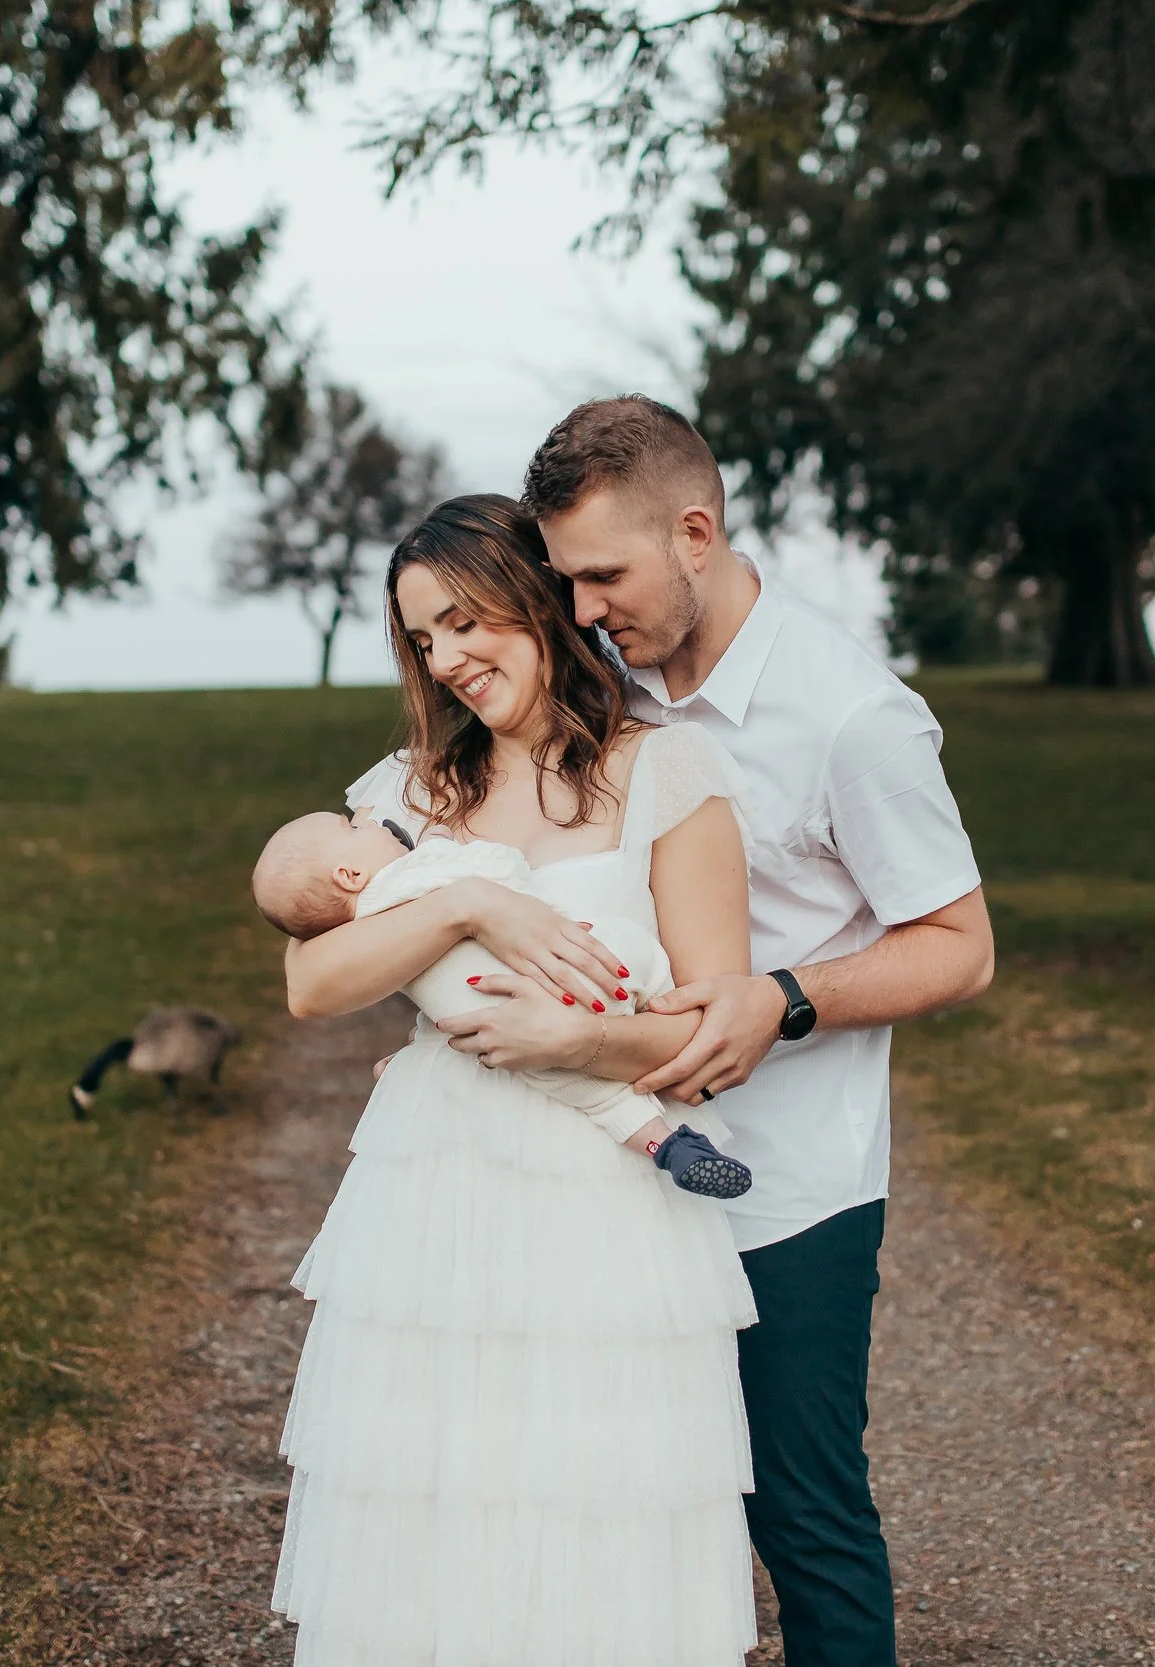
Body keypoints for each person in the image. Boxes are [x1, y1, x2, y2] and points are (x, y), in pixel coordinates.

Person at [440, 396, 994, 1667]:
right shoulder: (597, 676)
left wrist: (784, 997)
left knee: (798, 1514)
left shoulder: (855, 716)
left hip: (787, 1190)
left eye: (600, 575)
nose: (577, 609)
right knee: (608, 1501)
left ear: (696, 531)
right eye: (562, 578)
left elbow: (961, 946)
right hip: (605, 1171)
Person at [267, 493, 762, 1666]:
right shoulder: (406, 791)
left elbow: (714, 1032)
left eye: (462, 621)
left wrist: (583, 1046)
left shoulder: (668, 773)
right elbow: (311, 983)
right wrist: (467, 898)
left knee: (594, 1506)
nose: (446, 659)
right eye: (422, 639)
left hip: (603, 1202)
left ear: (534, 598)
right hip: (436, 1189)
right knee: (438, 1507)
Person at [248, 806, 754, 1195]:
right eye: (351, 827)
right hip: (586, 984)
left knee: (599, 1099)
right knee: (631, 953)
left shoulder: (367, 922)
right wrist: (469, 888)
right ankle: (655, 1007)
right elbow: (503, 868)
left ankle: (664, 1144)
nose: (368, 819)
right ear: (349, 875)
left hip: (500, 1046)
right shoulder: (411, 873)